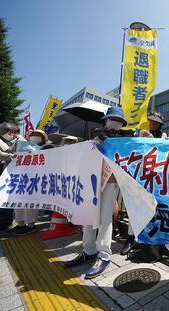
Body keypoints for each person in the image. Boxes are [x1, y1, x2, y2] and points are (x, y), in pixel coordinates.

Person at [64, 106, 131, 279]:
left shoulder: (126, 137)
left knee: (104, 217)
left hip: (110, 181)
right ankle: (88, 250)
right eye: (112, 119)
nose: (115, 123)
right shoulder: (95, 135)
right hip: (90, 179)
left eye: (118, 121)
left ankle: (104, 255)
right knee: (87, 215)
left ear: (123, 124)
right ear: (105, 120)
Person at [121, 111, 168, 256]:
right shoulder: (139, 133)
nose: (152, 123)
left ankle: (153, 243)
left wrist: (152, 139)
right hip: (139, 176)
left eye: (155, 121)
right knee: (134, 207)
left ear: (160, 123)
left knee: (154, 209)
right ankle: (130, 239)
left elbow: (165, 151)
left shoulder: (163, 136)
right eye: (150, 120)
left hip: (155, 179)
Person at [4, 130, 49, 236]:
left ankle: (30, 226)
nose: (35, 136)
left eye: (38, 135)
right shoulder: (23, 146)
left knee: (30, 203)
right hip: (21, 178)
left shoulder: (46, 148)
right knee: (18, 202)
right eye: (33, 134)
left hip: (35, 179)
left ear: (43, 138)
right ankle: (20, 224)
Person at [0, 122, 18, 233]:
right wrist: (9, 155)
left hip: (13, 175)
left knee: (9, 200)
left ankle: (5, 223)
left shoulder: (17, 141)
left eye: (12, 131)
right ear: (1, 131)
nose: (9, 133)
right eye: (6, 131)